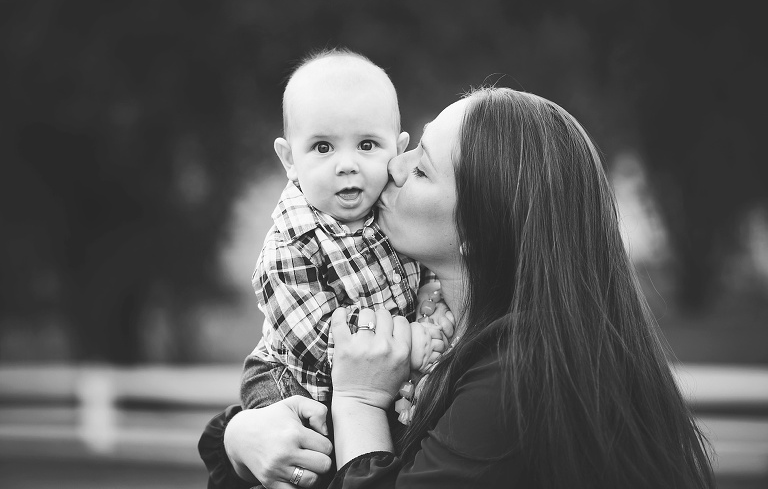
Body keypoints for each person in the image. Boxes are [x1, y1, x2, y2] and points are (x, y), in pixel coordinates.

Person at [200, 87, 716, 488]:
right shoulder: (431, 320)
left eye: (420, 168)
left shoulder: (519, 372)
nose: (391, 168)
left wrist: (358, 402)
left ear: (474, 232)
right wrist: (240, 437)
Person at [242, 48, 453, 418]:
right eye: (323, 147)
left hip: (377, 383)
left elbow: (427, 275)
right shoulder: (292, 244)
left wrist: (432, 309)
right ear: (290, 160)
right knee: (305, 453)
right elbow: (321, 339)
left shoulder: (394, 214)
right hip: (294, 380)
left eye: (367, 145)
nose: (346, 165)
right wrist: (408, 342)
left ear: (398, 151)